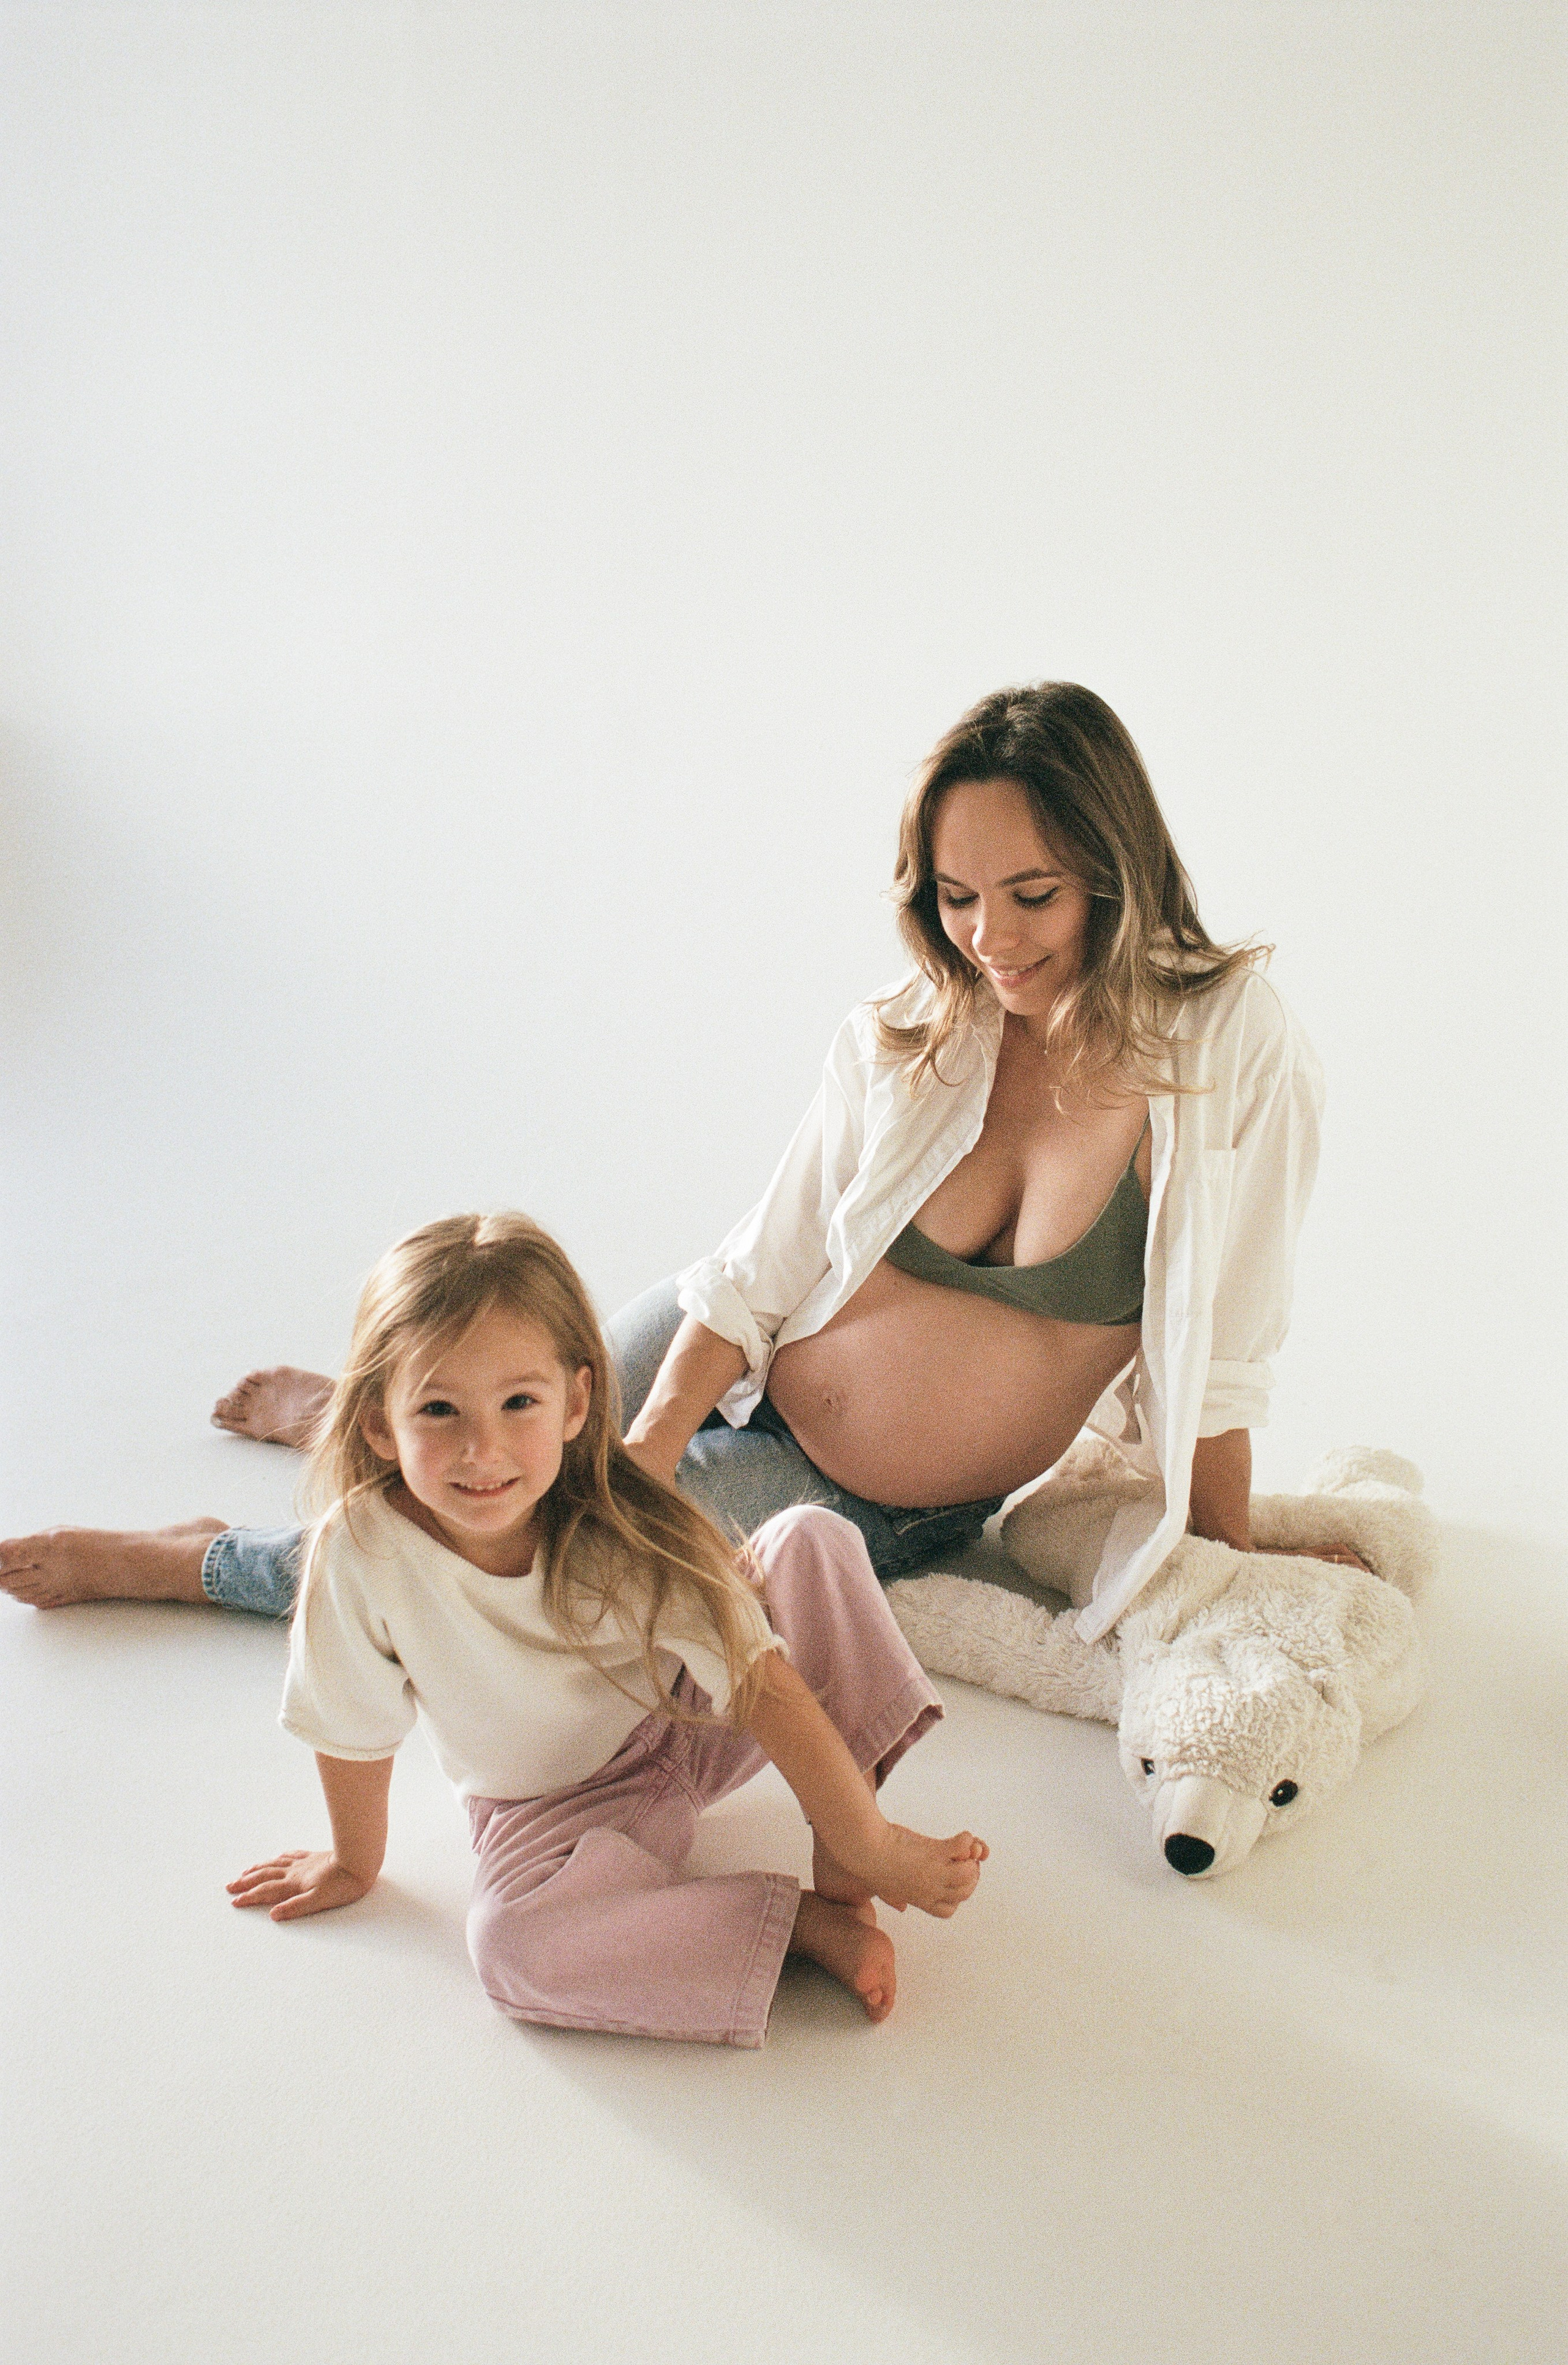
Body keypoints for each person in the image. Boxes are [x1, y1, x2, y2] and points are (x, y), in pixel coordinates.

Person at [1, 681, 1361, 1629]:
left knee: (520, 1554)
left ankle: (200, 1564)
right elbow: (756, 1267)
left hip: (862, 1493)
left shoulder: (1224, 1047)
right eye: (954, 899)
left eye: (1031, 896)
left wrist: (1220, 1577)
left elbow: (1225, 1342)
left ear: (1114, 872)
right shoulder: (910, 1030)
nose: (990, 939)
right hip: (735, 1348)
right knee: (533, 1432)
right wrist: (649, 1437)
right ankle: (358, 1429)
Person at [227, 1211, 984, 2045]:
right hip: (548, 1810)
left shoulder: (616, 1522)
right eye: (440, 1409)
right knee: (509, 1947)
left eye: (519, 1402)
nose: (483, 1449)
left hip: (692, 1715)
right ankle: (797, 1926)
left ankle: (843, 1865)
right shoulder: (362, 1552)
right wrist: (352, 1861)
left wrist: (864, 1836)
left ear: (576, 1400)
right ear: (379, 1422)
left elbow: (760, 1683)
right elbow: (350, 1725)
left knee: (811, 1539)